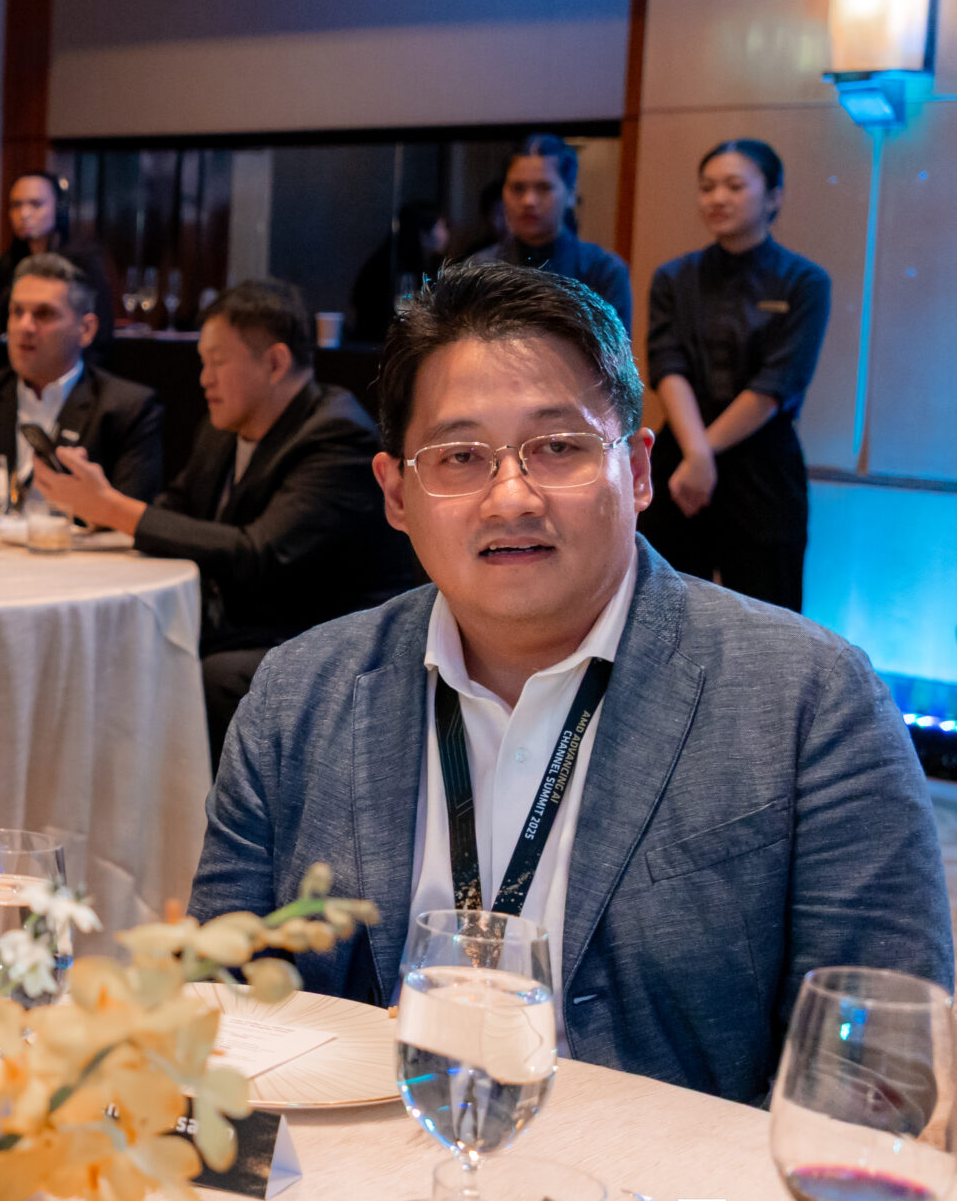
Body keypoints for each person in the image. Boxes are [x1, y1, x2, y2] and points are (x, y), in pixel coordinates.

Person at [186, 262, 951, 1103]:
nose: (511, 497)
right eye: (460, 456)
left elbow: (877, 1072)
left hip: (659, 1186)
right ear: (397, 494)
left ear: (640, 471)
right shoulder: (298, 695)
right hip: (359, 1173)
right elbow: (218, 1011)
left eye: (559, 447)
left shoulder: (811, 700)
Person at [29, 278, 416, 757]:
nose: (203, 379)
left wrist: (112, 507)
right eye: (202, 363)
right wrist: (100, 507)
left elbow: (260, 552)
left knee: (214, 672)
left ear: (274, 363)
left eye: (217, 362)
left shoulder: (336, 436)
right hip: (248, 624)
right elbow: (176, 507)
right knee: (120, 639)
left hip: (332, 640)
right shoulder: (224, 429)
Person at [639, 141, 830, 613]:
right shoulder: (674, 277)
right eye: (707, 188)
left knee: (768, 613)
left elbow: (775, 384)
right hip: (680, 460)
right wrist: (695, 454)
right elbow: (667, 367)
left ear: (774, 197)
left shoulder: (804, 281)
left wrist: (703, 454)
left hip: (762, 464)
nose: (717, 198)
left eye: (734, 186)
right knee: (665, 605)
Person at [0, 254, 162, 503]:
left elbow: (132, 516)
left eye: (44, 314)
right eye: (17, 312)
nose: (25, 326)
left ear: (86, 330)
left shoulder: (127, 409)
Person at [462, 135, 631, 334]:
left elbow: (612, 351)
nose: (528, 201)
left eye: (543, 188)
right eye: (518, 188)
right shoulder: (479, 269)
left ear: (570, 194)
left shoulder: (602, 270)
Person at [0, 171, 110, 345]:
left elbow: (100, 333)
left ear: (59, 208)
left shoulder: (82, 262)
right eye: (16, 205)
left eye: (36, 204)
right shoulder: (7, 263)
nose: (24, 213)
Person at [351, 198, 448, 345]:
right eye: (441, 226)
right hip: (380, 344)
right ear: (423, 233)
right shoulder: (391, 264)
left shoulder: (430, 264)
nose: (446, 233)